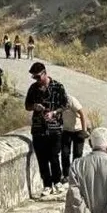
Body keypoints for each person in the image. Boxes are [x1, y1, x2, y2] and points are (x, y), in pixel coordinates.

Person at [25, 62, 69, 197]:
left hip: (55, 128)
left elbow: (65, 105)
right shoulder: (33, 88)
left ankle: (57, 182)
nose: (36, 80)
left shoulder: (58, 86)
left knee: (54, 156)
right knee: (41, 158)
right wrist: (35, 107)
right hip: (38, 128)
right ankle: (47, 184)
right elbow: (27, 105)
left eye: (38, 77)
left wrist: (54, 113)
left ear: (45, 73)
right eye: (34, 77)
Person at [60, 94, 90, 182]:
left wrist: (84, 130)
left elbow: (82, 114)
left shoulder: (71, 100)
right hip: (66, 130)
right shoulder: (56, 100)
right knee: (65, 153)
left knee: (77, 154)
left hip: (78, 130)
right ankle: (66, 175)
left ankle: (76, 176)